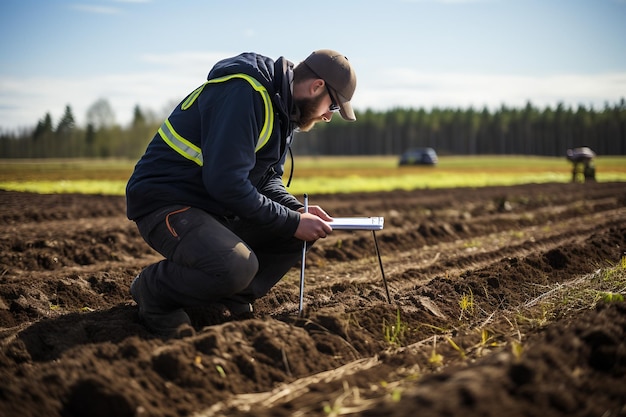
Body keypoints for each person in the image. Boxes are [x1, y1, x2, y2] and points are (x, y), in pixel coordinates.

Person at [126, 49, 357, 338]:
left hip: (213, 206)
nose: (327, 117)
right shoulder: (243, 93)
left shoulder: (282, 111)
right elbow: (227, 184)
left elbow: (267, 178)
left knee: (295, 233)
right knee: (235, 265)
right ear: (316, 86)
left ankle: (231, 297)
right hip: (168, 202)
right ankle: (154, 293)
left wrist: (295, 211)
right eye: (332, 107)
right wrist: (292, 221)